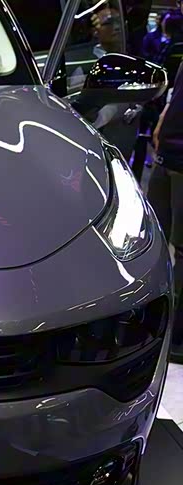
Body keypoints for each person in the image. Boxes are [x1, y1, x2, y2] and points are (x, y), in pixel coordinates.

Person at [148, 61, 183, 360]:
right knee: (151, 239)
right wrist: (163, 118)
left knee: (182, 250)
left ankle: (175, 334)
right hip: (165, 157)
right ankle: (150, 324)